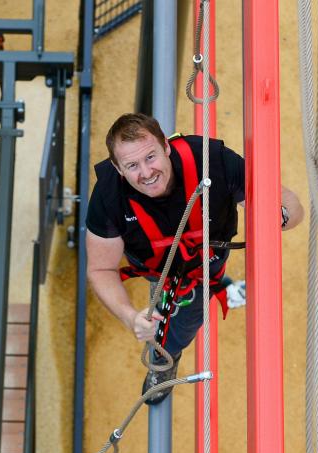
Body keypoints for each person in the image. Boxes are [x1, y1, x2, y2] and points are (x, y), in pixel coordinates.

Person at [86, 113, 304, 404]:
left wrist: (278, 217)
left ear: (166, 146)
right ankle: (217, 297)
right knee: (164, 310)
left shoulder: (213, 161)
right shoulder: (108, 198)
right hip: (154, 267)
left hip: (203, 268)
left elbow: (291, 205)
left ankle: (169, 354)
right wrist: (129, 317)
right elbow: (101, 268)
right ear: (117, 168)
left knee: (184, 322)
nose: (146, 172)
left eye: (150, 157)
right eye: (132, 166)